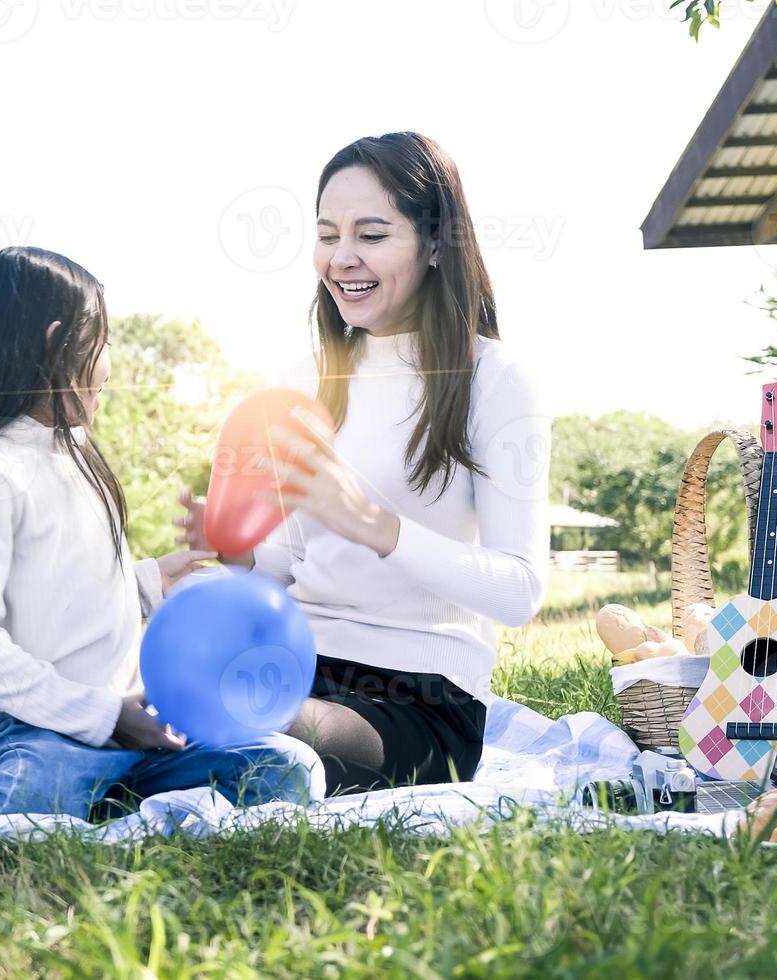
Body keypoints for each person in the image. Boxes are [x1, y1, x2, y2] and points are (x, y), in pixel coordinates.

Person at [176, 132, 550, 795]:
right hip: (294, 661)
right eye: (327, 234)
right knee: (174, 688)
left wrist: (375, 524)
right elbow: (286, 569)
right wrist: (231, 551)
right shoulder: (302, 378)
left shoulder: (494, 379)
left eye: (371, 235)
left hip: (422, 702)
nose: (341, 257)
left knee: (256, 724)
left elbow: (519, 591)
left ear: (436, 244)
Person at [0, 246, 322, 822]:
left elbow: (69, 590)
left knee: (290, 769)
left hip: (133, 718)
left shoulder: (77, 454)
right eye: (102, 342)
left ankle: (109, 794)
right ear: (60, 345)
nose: (110, 363)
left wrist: (148, 580)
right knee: (36, 808)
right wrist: (102, 716)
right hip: (39, 728)